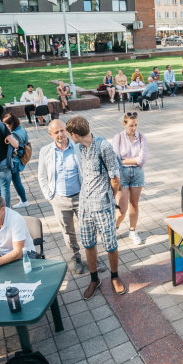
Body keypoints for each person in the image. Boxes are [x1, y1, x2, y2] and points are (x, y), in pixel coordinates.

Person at [64, 116, 126, 299]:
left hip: (103, 206)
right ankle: (94, 279)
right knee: (89, 244)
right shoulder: (78, 147)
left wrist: (109, 197)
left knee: (110, 245)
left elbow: (115, 179)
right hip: (84, 206)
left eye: (70, 134)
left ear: (75, 134)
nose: (69, 137)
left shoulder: (103, 147)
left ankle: (115, 277)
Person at [38, 119, 101, 276]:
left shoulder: (78, 147)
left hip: (81, 197)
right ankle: (76, 260)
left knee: (88, 229)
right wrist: (50, 196)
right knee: (68, 233)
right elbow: (42, 177)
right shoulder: (45, 151)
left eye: (62, 130)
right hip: (59, 199)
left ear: (67, 130)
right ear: (50, 134)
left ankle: (93, 259)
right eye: (56, 132)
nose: (60, 134)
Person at [111, 113, 147, 246]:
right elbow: (116, 159)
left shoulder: (142, 137)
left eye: (136, 124)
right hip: (123, 175)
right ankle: (113, 228)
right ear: (124, 124)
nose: (134, 128)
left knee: (134, 204)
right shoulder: (118, 138)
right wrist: (132, 161)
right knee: (122, 208)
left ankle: (132, 230)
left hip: (138, 173)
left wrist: (124, 160)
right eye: (131, 125)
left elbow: (142, 159)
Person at [3, 114, 30, 209]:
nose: (6, 127)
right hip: (21, 157)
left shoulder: (13, 135)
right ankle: (21, 195)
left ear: (11, 124)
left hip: (15, 161)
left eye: (7, 125)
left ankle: (24, 200)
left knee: (16, 181)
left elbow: (10, 151)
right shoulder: (21, 129)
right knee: (17, 180)